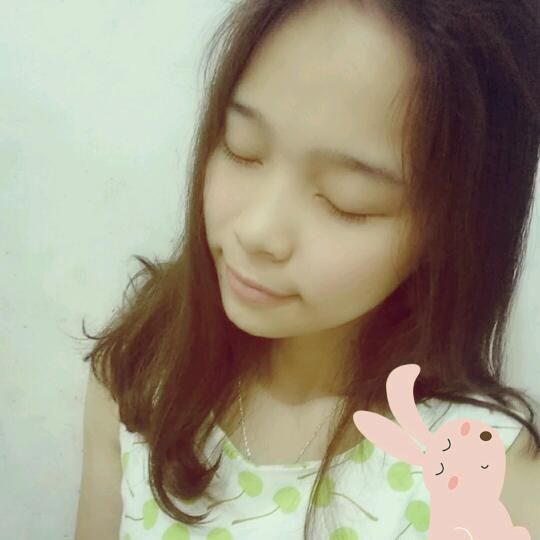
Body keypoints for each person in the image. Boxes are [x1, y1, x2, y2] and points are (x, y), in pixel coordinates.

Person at [74, 1, 540, 539]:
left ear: (453, 229)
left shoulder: (488, 480)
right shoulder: (140, 371)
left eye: (347, 200)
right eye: (243, 149)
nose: (257, 232)